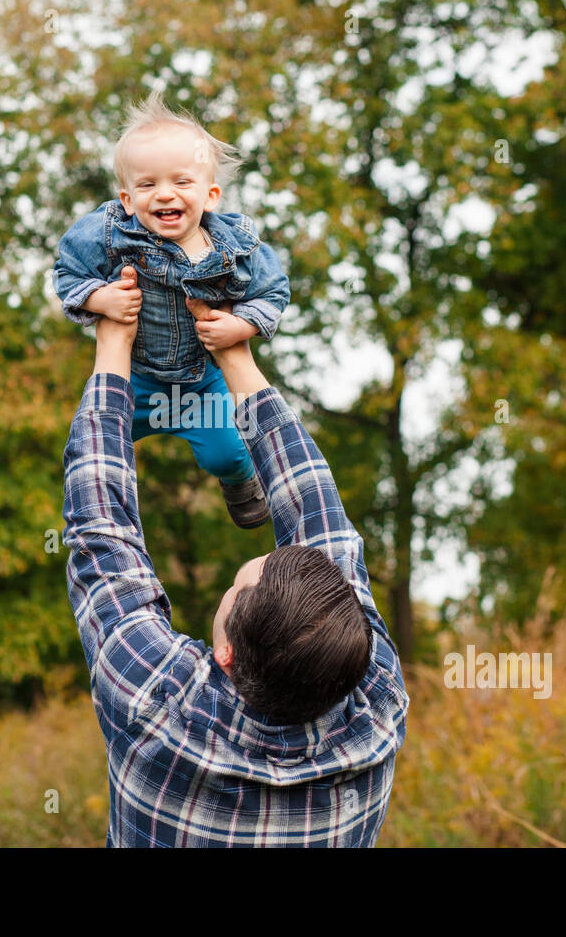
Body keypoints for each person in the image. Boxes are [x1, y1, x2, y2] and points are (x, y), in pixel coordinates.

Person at [60, 300, 410, 847]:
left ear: (225, 654)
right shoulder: (375, 711)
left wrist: (113, 346)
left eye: (243, 583)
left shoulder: (157, 703)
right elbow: (103, 540)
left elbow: (101, 530)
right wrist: (233, 354)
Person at [52, 91, 290, 528]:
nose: (164, 195)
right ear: (126, 199)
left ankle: (240, 481)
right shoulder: (107, 232)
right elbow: (66, 273)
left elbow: (272, 294)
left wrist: (240, 327)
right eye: (147, 185)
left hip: (201, 383)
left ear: (210, 195)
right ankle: (103, 510)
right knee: (96, 438)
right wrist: (99, 298)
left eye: (181, 182)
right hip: (135, 377)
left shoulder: (236, 246)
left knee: (228, 452)